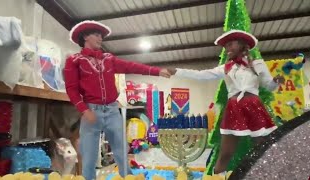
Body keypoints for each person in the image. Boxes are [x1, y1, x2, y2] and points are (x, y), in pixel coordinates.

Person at [169, 30, 285, 176]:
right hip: (234, 109)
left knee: (263, 150)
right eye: (225, 47)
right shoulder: (226, 68)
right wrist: (177, 71)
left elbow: (268, 86)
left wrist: (276, 82)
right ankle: (216, 178)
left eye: (230, 44)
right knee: (225, 153)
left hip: (254, 107)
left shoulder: (257, 64)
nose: (227, 49)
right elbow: (201, 75)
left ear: (242, 44)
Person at [63, 20, 171, 180]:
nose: (101, 38)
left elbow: (132, 66)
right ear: (85, 36)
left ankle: (127, 177)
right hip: (91, 111)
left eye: (101, 35)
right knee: (89, 156)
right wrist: (84, 110)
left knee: (122, 150)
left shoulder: (109, 59)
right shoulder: (74, 60)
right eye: (97, 35)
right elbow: (71, 89)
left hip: (113, 110)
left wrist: (157, 71)